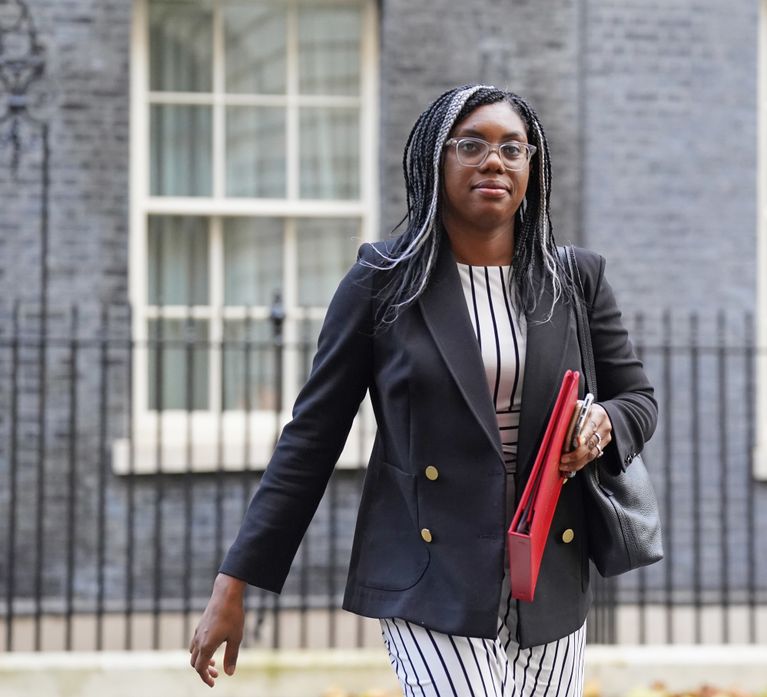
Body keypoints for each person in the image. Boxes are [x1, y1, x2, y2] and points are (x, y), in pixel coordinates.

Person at [189, 84, 658, 696]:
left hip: (547, 573)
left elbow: (637, 400)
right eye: (472, 145)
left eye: (512, 148)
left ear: (531, 166)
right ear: (435, 159)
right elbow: (311, 439)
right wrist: (234, 581)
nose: (494, 161)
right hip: (431, 572)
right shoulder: (382, 281)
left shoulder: (573, 279)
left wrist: (604, 425)